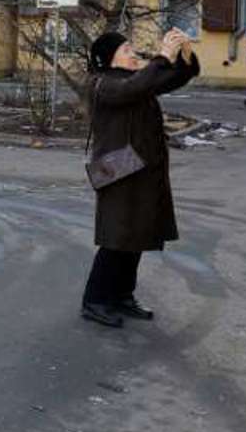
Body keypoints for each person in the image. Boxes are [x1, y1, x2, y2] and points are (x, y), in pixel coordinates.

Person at [81, 27, 200, 328]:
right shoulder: (101, 84)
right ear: (108, 59)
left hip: (140, 170)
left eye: (132, 49)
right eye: (126, 50)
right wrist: (162, 57)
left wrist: (184, 56)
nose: (133, 53)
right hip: (117, 169)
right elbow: (133, 88)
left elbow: (169, 78)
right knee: (117, 237)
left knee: (135, 236)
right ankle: (95, 301)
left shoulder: (132, 81)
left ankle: (122, 295)